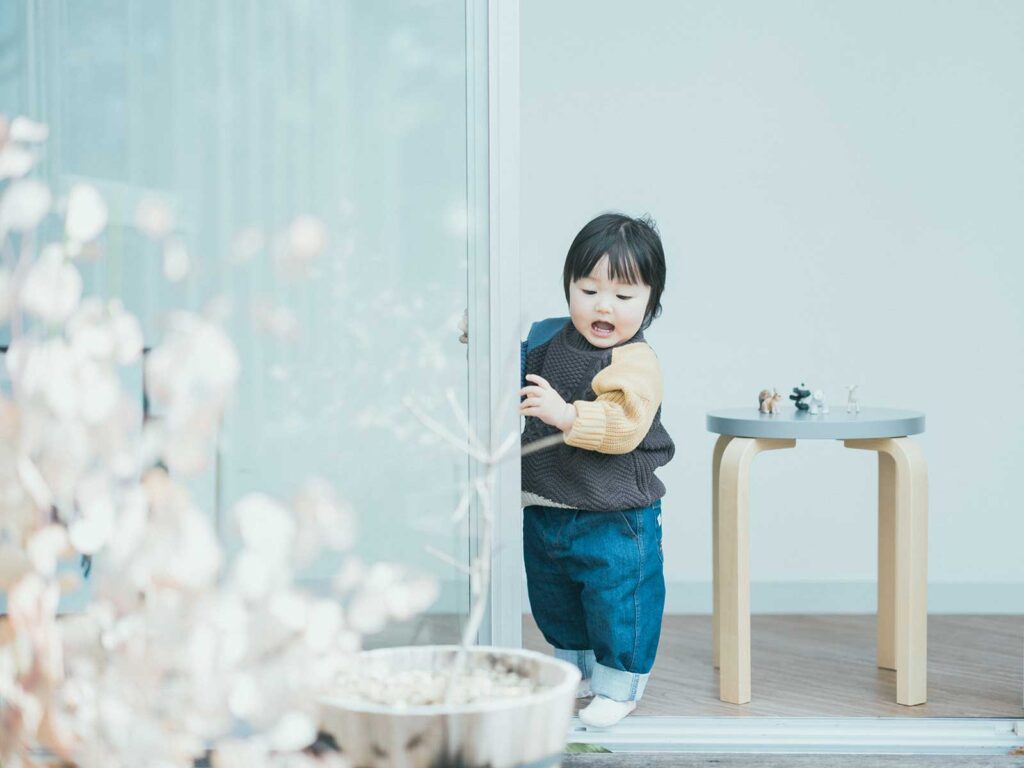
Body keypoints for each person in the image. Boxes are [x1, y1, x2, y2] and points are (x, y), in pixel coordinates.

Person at [520, 212, 675, 728]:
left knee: (618, 600)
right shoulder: (544, 340)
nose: (603, 306)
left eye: (624, 297)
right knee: (554, 597)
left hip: (615, 513)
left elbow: (624, 423)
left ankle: (619, 683)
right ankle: (577, 672)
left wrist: (566, 414)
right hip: (548, 502)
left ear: (650, 303)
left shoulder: (634, 362)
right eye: (588, 290)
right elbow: (506, 368)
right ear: (568, 287)